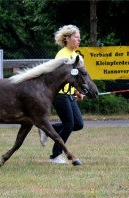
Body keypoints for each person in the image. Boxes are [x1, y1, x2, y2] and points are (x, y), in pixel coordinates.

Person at [39, 24, 85, 164]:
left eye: (79, 37)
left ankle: (47, 129)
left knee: (78, 124)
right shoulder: (62, 55)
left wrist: (77, 92)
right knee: (69, 124)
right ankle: (55, 156)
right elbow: (59, 79)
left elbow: (74, 79)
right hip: (60, 95)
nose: (79, 39)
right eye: (76, 37)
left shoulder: (75, 55)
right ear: (67, 38)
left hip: (70, 95)